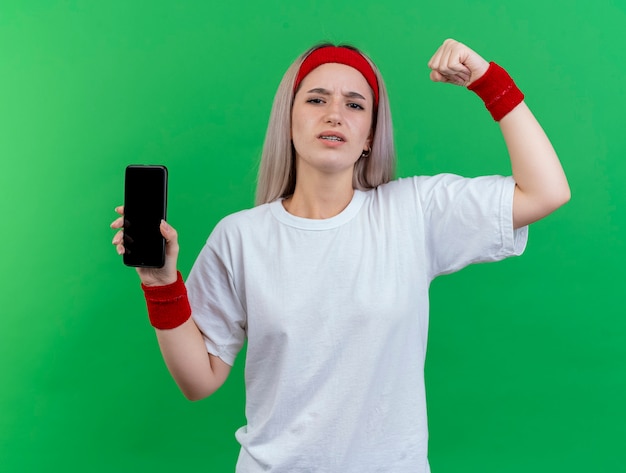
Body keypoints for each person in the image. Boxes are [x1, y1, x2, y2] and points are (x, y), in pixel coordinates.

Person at [111, 39, 570, 472]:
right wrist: (159, 282)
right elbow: (199, 381)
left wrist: (488, 80)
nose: (335, 114)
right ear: (288, 121)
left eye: (355, 104)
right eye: (316, 99)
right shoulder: (241, 237)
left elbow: (546, 191)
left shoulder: (414, 212)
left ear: (370, 134)